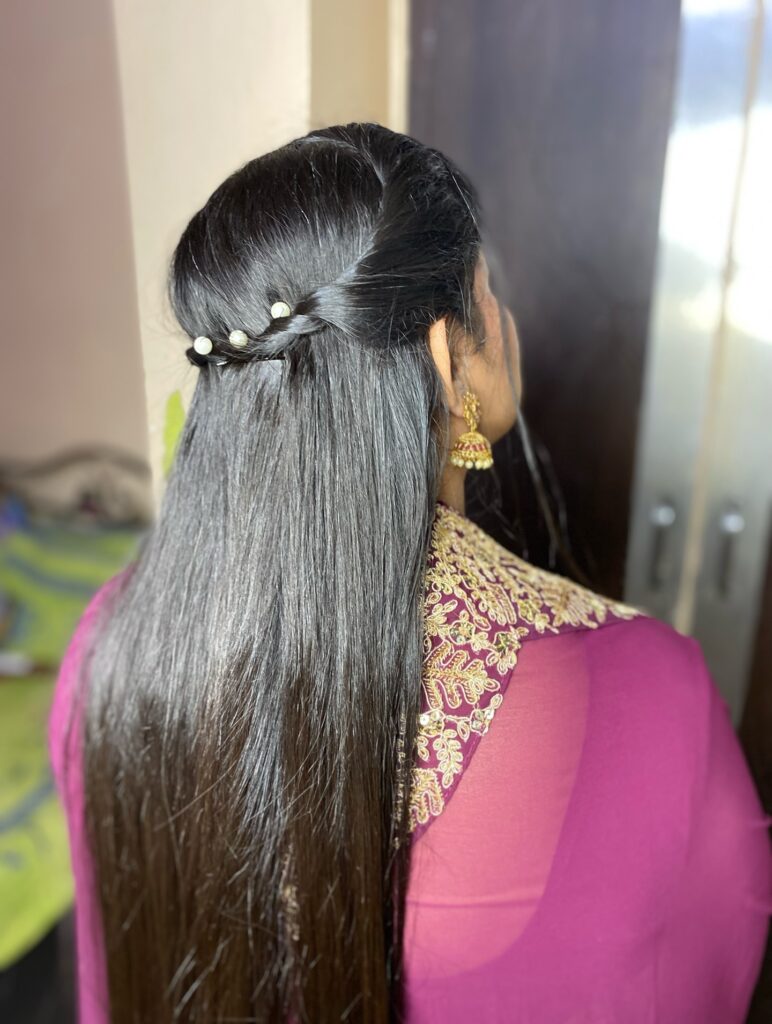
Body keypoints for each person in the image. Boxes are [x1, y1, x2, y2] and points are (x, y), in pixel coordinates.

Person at [48, 122, 772, 1023]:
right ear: (446, 354)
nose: (503, 321)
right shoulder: (651, 687)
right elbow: (706, 970)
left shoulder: (110, 649)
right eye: (489, 291)